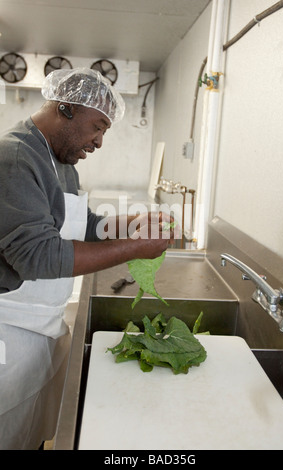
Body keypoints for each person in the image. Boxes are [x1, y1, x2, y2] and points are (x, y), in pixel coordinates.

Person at [0, 68, 174, 450]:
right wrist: (136, 247)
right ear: (65, 108)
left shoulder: (61, 162)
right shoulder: (15, 157)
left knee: (26, 431)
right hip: (8, 327)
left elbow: (83, 225)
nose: (98, 142)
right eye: (97, 127)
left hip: (39, 324)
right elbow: (37, 255)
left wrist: (133, 223)